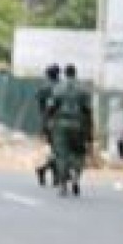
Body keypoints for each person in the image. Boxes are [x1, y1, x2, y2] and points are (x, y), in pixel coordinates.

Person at [46, 64, 93, 197]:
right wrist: (89, 132)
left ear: (65, 74)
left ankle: (62, 184)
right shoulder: (84, 89)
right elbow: (88, 111)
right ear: (75, 73)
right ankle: (76, 176)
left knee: (62, 155)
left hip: (61, 124)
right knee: (79, 153)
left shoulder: (58, 88)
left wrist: (47, 124)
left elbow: (51, 107)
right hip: (79, 125)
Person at [33, 64, 61, 187]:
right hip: (61, 121)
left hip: (49, 122)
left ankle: (46, 171)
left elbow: (41, 106)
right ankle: (50, 173)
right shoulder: (62, 86)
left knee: (56, 149)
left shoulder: (44, 88)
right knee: (58, 150)